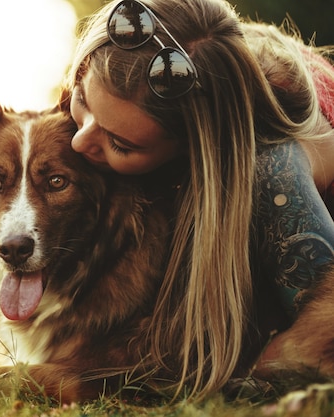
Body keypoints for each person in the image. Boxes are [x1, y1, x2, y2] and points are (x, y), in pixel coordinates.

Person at [62, 0, 334, 398]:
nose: (78, 139)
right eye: (83, 101)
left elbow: (311, 348)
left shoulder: (276, 172)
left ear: (193, 151)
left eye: (119, 143)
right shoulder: (167, 69)